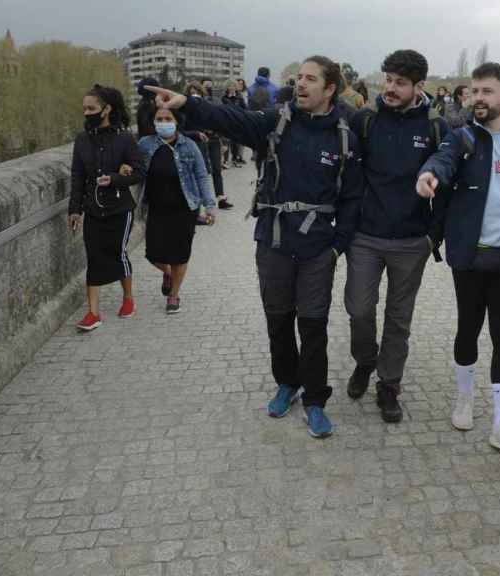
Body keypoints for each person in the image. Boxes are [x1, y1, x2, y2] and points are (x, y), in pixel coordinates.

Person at [146, 55, 362, 439]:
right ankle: (287, 382)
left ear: (329, 88)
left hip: (317, 248)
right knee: (278, 319)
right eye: (299, 77)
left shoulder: (345, 135)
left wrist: (336, 248)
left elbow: (352, 198)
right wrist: (188, 104)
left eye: (311, 79)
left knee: (313, 326)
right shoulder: (275, 122)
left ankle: (315, 400)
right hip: (274, 240)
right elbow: (230, 120)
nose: (301, 84)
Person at [416, 62, 500, 456]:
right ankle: (464, 397)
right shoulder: (461, 139)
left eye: (487, 91)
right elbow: (440, 161)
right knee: (467, 329)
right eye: (475, 91)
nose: (478, 98)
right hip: (469, 258)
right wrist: (429, 175)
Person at [344, 49, 449, 423]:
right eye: (387, 80)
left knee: (398, 319)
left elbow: (448, 184)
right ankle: (364, 361)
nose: (390, 88)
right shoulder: (365, 121)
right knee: (358, 309)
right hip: (366, 236)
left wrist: (431, 237)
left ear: (419, 86)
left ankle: (389, 385)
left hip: (411, 241)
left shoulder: (438, 128)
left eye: (399, 83)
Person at [68, 84, 145, 331]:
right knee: (93, 257)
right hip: (92, 209)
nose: (87, 112)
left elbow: (139, 171)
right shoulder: (81, 140)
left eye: (91, 108)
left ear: (107, 109)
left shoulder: (124, 138)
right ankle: (93, 313)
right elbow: (77, 176)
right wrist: (74, 210)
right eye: (84, 108)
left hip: (119, 209)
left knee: (117, 253)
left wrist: (115, 178)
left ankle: (128, 299)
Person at [137, 105, 217, 314]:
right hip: (156, 207)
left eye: (167, 118)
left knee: (180, 255)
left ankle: (174, 295)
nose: (163, 122)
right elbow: (133, 167)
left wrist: (210, 206)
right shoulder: (145, 145)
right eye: (159, 119)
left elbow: (201, 176)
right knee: (153, 253)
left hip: (185, 208)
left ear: (176, 121)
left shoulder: (189, 146)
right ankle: (169, 274)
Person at [200, 78, 231, 210]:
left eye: (210, 85)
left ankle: (221, 198)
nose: (208, 87)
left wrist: (224, 142)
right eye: (206, 85)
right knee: (201, 171)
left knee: (217, 170)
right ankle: (202, 202)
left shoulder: (217, 101)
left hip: (214, 139)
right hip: (200, 140)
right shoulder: (197, 102)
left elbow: (222, 121)